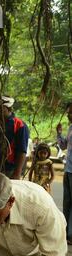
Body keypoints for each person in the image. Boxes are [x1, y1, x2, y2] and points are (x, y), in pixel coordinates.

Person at [56, 101, 72, 245]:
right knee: (67, 202)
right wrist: (59, 134)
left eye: (70, 112)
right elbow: (63, 146)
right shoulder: (71, 127)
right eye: (68, 112)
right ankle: (66, 233)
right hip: (68, 169)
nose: (68, 115)